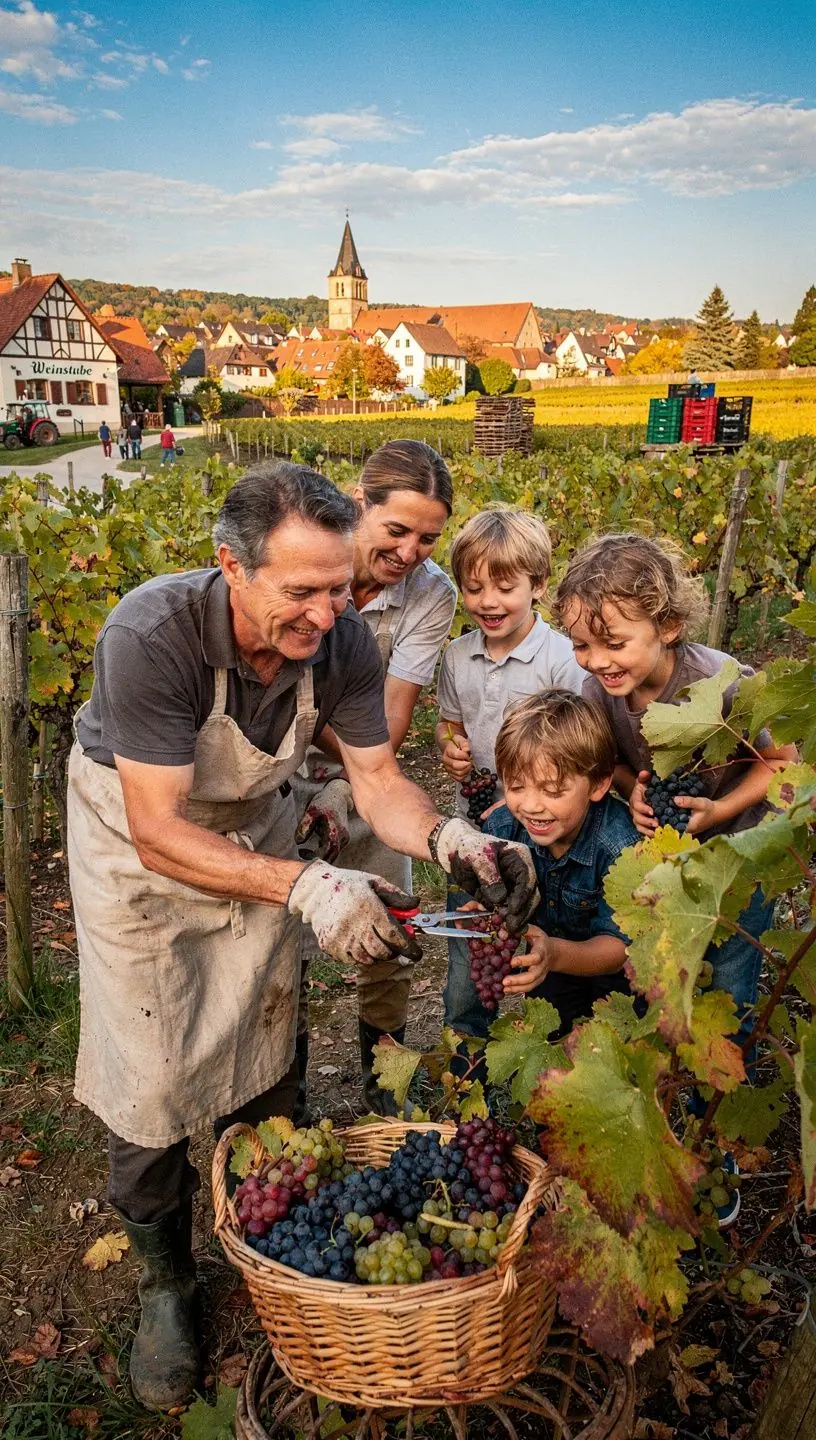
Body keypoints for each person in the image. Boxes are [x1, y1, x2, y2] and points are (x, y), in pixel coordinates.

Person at [67, 461, 537, 1411]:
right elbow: (159, 827)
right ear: (230, 568)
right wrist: (309, 886)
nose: (329, 615)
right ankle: (169, 1281)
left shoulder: (345, 641)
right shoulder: (152, 634)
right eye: (301, 592)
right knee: (150, 1072)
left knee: (266, 1030)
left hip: (259, 836)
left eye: (337, 587)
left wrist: (449, 835)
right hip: (138, 851)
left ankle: (273, 1233)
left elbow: (375, 781)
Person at [552, 532, 797, 1045]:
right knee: (669, 975)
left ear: (669, 626)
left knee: (728, 982)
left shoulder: (719, 682)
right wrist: (631, 790)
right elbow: (612, 764)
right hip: (667, 857)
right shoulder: (598, 690)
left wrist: (721, 807)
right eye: (580, 646)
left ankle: (724, 1087)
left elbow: (781, 765)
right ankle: (674, 1082)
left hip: (737, 857)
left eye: (613, 643)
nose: (597, 660)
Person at [293, 440, 457, 1114]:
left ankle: (383, 1076)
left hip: (374, 774)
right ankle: (285, 1082)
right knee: (283, 938)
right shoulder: (304, 563)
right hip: (278, 771)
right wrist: (326, 773)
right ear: (359, 503)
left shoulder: (431, 595)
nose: (412, 551)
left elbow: (385, 730)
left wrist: (351, 781)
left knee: (392, 923)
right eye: (397, 531)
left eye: (428, 538)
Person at [434, 507, 584, 1046]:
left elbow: (578, 746)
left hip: (545, 830)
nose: (488, 602)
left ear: (539, 584)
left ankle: (541, 1058)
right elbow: (449, 724)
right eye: (474, 589)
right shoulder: (456, 656)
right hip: (473, 828)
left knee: (540, 948)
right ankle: (465, 1057)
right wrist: (450, 748)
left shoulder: (563, 660)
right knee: (470, 949)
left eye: (504, 587)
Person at [479, 690, 639, 1034]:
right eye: (517, 786)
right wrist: (484, 912)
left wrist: (554, 954)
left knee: (616, 1054)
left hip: (619, 981)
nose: (532, 806)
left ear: (598, 784)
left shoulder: (621, 848)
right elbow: (498, 894)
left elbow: (621, 948)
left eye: (552, 791)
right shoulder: (502, 830)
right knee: (552, 1044)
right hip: (550, 967)